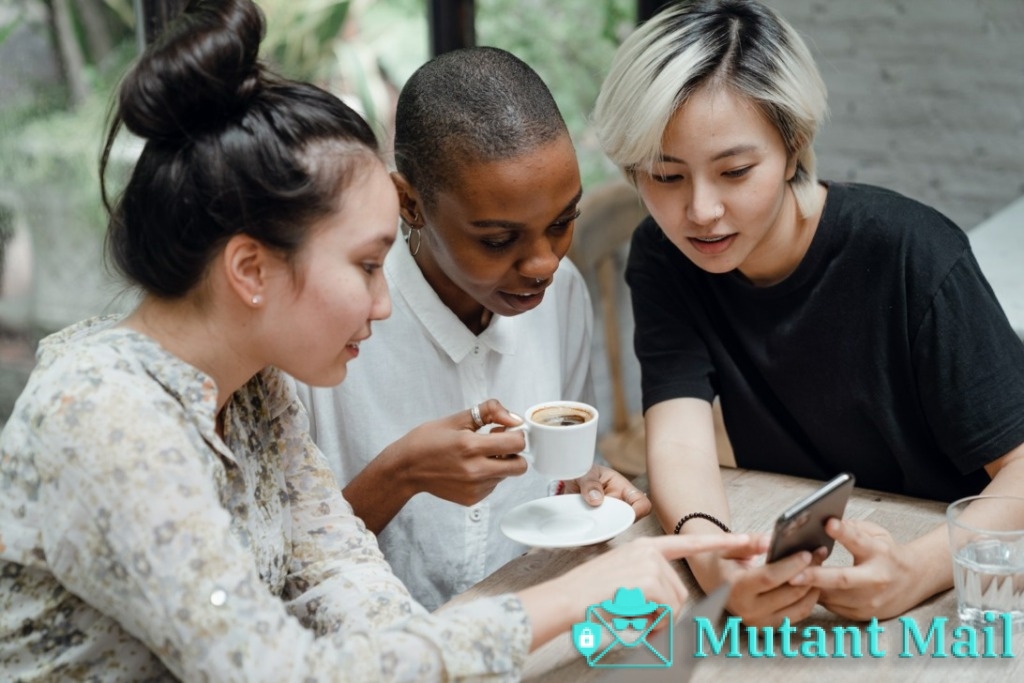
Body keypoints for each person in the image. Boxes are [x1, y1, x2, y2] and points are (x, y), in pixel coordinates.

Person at [0, 1, 766, 680]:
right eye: (369, 265)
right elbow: (278, 669)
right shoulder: (104, 415)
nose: (384, 299)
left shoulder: (257, 392)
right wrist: (574, 596)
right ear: (250, 268)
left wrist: (584, 611)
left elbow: (347, 590)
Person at [591, 0, 1024, 627]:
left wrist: (920, 570)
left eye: (735, 171)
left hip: (964, 578)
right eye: (665, 176)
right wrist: (719, 569)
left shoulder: (912, 251)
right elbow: (681, 438)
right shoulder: (665, 255)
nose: (701, 211)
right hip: (803, 552)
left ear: (794, 148)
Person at [296, 46, 651, 610]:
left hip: (529, 623)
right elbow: (280, 574)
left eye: (562, 223)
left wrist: (586, 484)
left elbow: (563, 480)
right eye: (497, 240)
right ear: (408, 202)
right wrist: (399, 475)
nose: (544, 265)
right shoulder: (326, 331)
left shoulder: (564, 299)